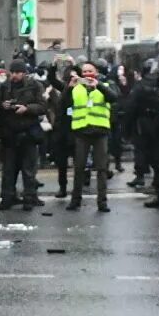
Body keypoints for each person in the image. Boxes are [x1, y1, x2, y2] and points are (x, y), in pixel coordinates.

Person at [0, 60, 47, 210]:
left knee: (29, 169)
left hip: (28, 132)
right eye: (12, 72)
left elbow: (43, 106)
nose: (14, 75)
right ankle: (7, 197)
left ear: (24, 72)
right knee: (9, 169)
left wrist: (27, 108)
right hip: (10, 133)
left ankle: (29, 198)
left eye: (17, 72)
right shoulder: (4, 86)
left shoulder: (34, 85)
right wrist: (2, 105)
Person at [67, 62, 113, 212]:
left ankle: (102, 202)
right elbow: (64, 105)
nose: (87, 74)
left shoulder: (105, 84)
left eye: (90, 71)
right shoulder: (77, 87)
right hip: (82, 132)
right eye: (84, 71)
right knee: (79, 168)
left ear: (96, 72)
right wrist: (69, 87)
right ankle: (75, 200)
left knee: (101, 169)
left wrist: (98, 85)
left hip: (100, 132)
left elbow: (114, 98)